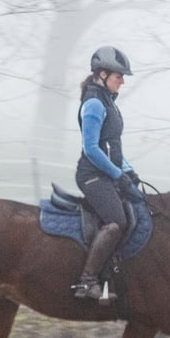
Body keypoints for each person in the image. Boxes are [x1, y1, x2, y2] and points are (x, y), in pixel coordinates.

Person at [72, 46, 140, 302]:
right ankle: (87, 281)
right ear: (102, 75)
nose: (122, 81)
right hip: (92, 175)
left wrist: (128, 171)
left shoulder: (108, 102)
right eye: (118, 76)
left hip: (108, 174)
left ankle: (113, 277)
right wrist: (116, 172)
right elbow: (91, 149)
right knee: (116, 222)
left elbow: (111, 144)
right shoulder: (93, 103)